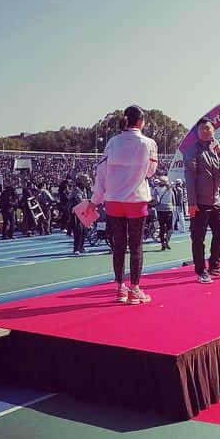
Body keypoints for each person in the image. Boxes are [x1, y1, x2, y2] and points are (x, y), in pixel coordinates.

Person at [89, 105, 159, 304]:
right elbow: (151, 172)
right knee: (136, 246)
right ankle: (135, 289)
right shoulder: (149, 143)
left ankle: (120, 288)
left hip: (113, 200)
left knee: (118, 245)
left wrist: (95, 200)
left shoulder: (112, 142)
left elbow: (101, 172)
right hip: (136, 199)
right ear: (141, 121)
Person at [183, 117, 220, 283]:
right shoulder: (192, 151)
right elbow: (190, 178)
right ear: (198, 132)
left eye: (208, 128)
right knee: (198, 238)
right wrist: (192, 203)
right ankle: (201, 271)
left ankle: (215, 266)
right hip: (199, 201)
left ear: (213, 130)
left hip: (216, 200)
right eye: (201, 129)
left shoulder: (218, 149)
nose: (205, 131)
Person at [153, 175, 175, 251]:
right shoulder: (169, 188)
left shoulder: (156, 189)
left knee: (162, 228)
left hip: (159, 209)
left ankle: (163, 244)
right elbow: (172, 184)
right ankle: (166, 241)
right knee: (170, 228)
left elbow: (156, 200)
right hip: (168, 209)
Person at [70, 176, 90, 254]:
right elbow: (80, 200)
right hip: (75, 212)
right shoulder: (76, 189)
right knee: (78, 230)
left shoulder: (84, 189)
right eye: (86, 180)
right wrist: (89, 201)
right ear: (81, 180)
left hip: (82, 211)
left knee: (84, 230)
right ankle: (76, 249)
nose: (88, 181)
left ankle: (81, 247)